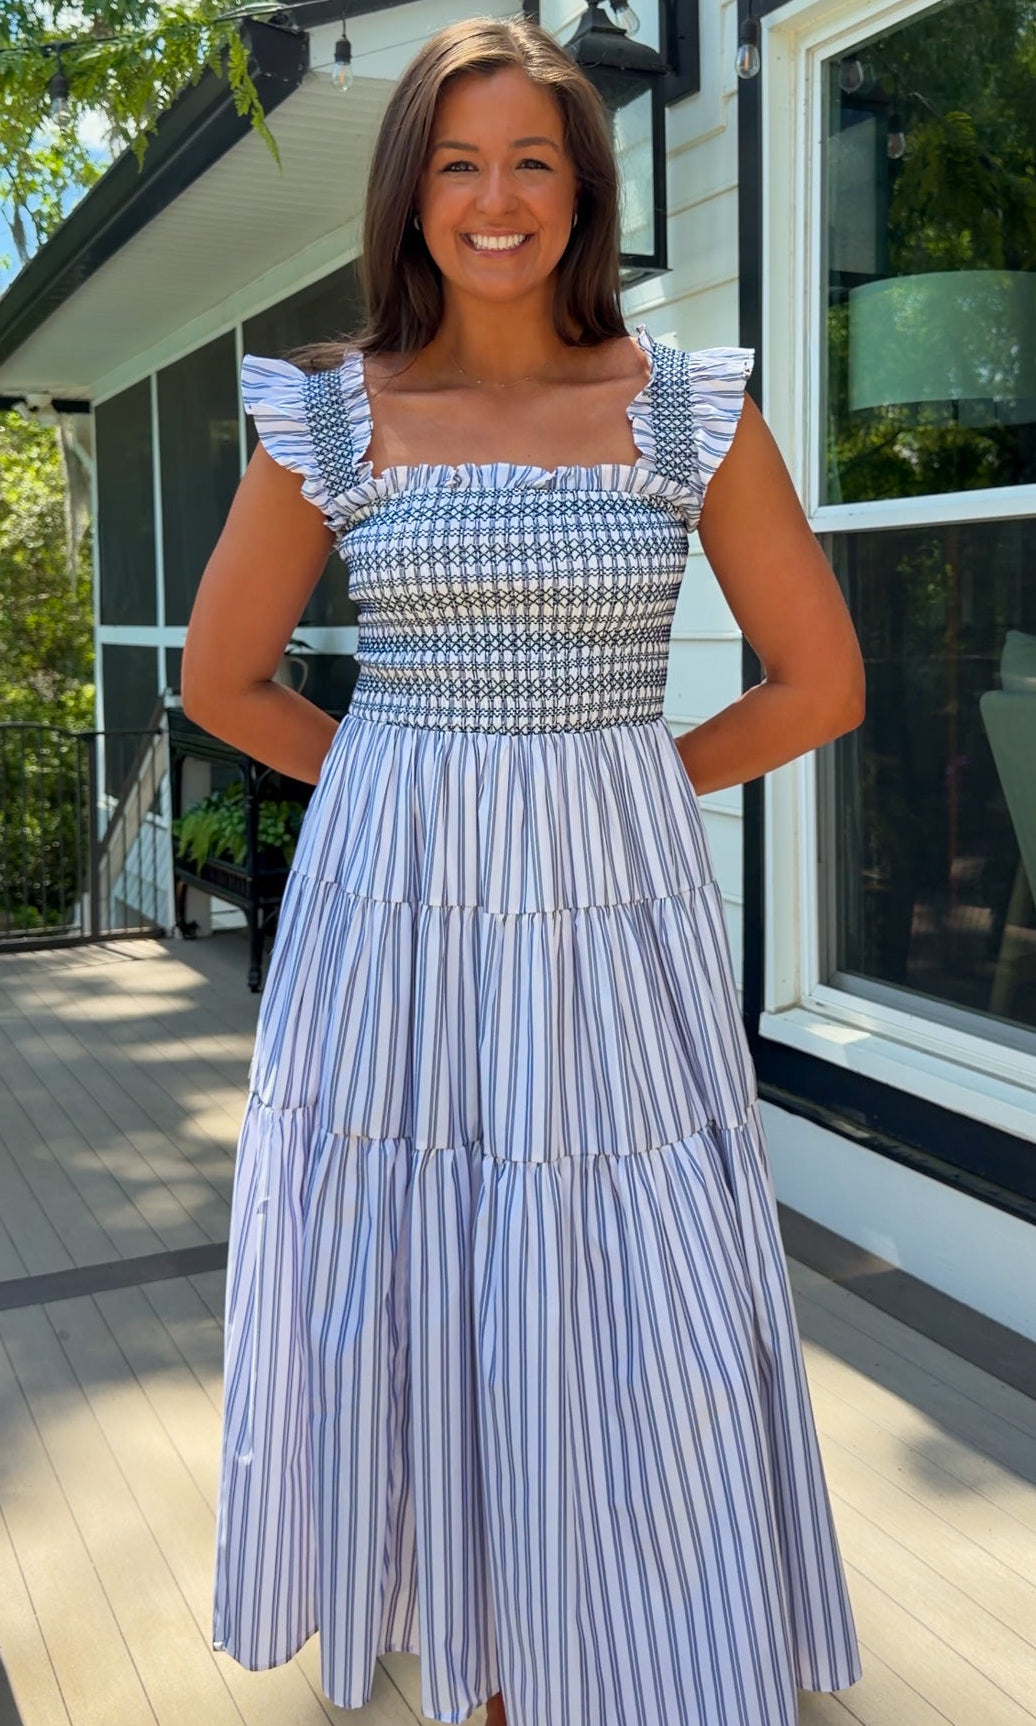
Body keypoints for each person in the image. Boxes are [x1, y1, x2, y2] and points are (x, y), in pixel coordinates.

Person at [182, 14, 865, 1726]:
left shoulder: (685, 408)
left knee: (633, 1270)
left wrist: (618, 779)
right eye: (459, 163)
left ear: (586, 189)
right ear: (412, 196)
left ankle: (620, 1652)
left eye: (533, 162)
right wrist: (409, 783)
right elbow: (222, 679)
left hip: (610, 920)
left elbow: (821, 681)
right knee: (417, 1258)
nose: (496, 200)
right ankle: (477, 1665)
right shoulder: (334, 416)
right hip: (393, 930)